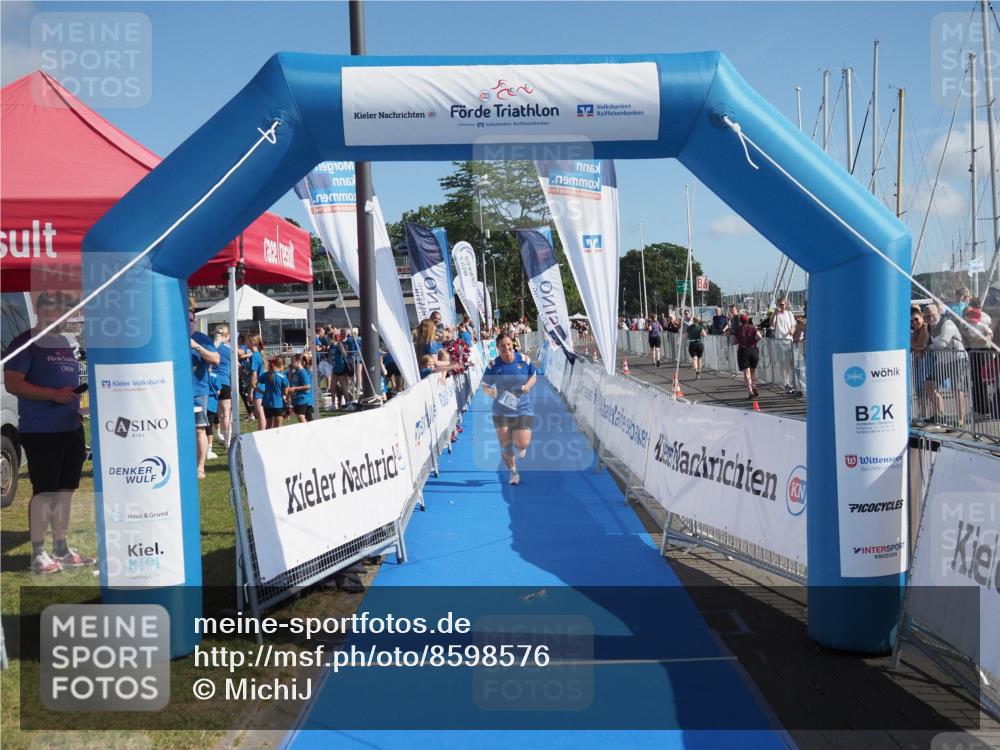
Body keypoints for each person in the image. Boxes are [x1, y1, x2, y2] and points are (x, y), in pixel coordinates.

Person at [3, 292, 95, 574]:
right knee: (44, 492)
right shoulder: (26, 343)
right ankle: (39, 553)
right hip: (41, 431)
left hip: (70, 426)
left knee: (66, 491)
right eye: (52, 308)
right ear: (40, 310)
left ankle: (62, 548)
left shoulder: (66, 342)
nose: (58, 314)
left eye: (62, 309)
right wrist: (51, 395)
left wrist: (72, 404)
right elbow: (13, 383)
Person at [481, 332, 537, 486]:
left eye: (508, 344)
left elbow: (534, 375)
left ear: (512, 344)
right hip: (501, 410)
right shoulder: (494, 365)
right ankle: (513, 472)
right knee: (505, 444)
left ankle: (520, 445)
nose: (506, 348)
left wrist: (527, 386)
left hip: (523, 407)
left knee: (522, 443)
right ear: (498, 349)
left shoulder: (523, 359)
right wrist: (490, 392)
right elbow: (485, 385)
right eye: (502, 346)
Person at [190, 302, 220, 479]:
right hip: (176, 393)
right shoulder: (172, 335)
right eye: (186, 319)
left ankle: (200, 467)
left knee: (199, 429)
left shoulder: (202, 339)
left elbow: (215, 359)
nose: (189, 323)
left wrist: (197, 347)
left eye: (192, 320)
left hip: (198, 392)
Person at [212, 324, 233, 449]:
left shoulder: (211, 346)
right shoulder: (228, 348)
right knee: (226, 413)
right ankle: (228, 442)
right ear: (226, 335)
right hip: (225, 382)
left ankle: (215, 435)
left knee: (216, 413)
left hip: (212, 382)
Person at [771, 298, 796, 394]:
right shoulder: (776, 314)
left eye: (783, 304)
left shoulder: (789, 314)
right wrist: (774, 313)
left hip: (789, 341)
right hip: (780, 341)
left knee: (791, 363)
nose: (782, 306)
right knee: (783, 364)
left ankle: (791, 382)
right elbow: (771, 324)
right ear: (778, 305)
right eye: (780, 304)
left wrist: (792, 330)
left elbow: (793, 325)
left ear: (786, 304)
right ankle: (786, 383)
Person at [734, 314, 762, 398]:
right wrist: (754, 341)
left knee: (747, 372)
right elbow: (760, 337)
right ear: (747, 320)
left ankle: (750, 390)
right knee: (753, 371)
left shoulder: (738, 330)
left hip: (743, 351)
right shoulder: (753, 327)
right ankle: (754, 386)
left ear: (740, 321)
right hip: (753, 350)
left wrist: (741, 341)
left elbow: (733, 342)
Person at [262, 355, 290, 429]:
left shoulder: (266, 374)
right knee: (278, 428)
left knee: (268, 426)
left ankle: (266, 440)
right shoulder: (282, 376)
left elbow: (254, 382)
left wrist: (261, 391)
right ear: (282, 365)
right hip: (277, 404)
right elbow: (285, 393)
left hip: (266, 403)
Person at [248, 335, 268, 431]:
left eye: (247, 341)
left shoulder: (254, 356)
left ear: (252, 342)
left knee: (260, 413)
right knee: (261, 413)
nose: (245, 343)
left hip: (258, 387)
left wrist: (251, 390)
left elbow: (254, 375)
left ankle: (262, 433)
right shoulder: (258, 355)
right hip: (261, 386)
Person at [287, 353, 315, 422]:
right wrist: (290, 372)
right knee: (302, 418)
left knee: (301, 417)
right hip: (296, 399)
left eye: (292, 361)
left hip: (302, 399)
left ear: (298, 361)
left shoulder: (303, 372)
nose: (291, 363)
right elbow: (290, 382)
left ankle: (309, 431)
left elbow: (308, 386)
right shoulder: (295, 372)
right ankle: (308, 430)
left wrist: (295, 389)